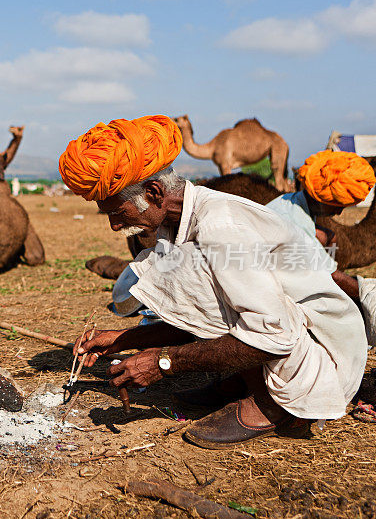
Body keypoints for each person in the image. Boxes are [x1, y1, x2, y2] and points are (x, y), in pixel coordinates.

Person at [59, 116, 367, 449]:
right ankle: (240, 382)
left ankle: (272, 405)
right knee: (186, 274)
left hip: (322, 355)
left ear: (153, 192)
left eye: (118, 212)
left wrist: (162, 362)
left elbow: (274, 334)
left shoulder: (220, 228)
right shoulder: (184, 220)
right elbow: (207, 312)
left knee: (196, 275)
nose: (115, 226)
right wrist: (124, 338)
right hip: (287, 332)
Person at [266, 150, 376, 343]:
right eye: (336, 205)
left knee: (329, 238)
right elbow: (332, 277)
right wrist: (367, 290)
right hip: (267, 289)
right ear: (320, 199)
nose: (340, 212)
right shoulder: (297, 224)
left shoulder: (293, 201)